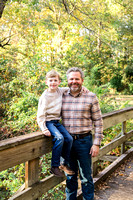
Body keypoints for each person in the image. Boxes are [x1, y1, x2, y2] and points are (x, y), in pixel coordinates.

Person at [61, 67, 103, 200]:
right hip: (67, 143)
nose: (74, 81)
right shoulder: (60, 96)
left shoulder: (91, 96)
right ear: (67, 80)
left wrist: (96, 143)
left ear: (82, 80)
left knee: (86, 177)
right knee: (70, 176)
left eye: (77, 79)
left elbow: (98, 121)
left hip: (84, 142)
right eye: (71, 79)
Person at [37, 70, 75, 177]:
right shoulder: (45, 96)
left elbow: (71, 88)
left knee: (69, 139)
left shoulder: (59, 91)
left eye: (55, 80)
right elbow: (40, 114)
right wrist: (43, 128)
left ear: (59, 82)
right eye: (50, 80)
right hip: (48, 122)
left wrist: (83, 89)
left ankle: (64, 163)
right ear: (46, 82)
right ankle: (54, 166)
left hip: (57, 122)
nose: (53, 83)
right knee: (59, 138)